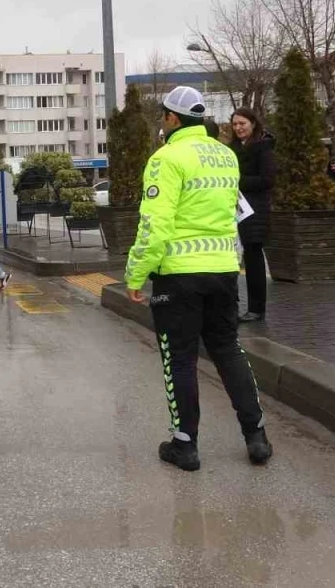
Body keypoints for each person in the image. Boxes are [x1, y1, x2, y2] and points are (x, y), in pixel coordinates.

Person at [125, 86, 272, 472]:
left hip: (179, 277)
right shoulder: (226, 155)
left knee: (181, 360)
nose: (162, 123)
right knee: (228, 350)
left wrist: (136, 274)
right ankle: (256, 436)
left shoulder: (166, 158)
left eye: (163, 116)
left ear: (173, 119)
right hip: (223, 271)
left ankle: (184, 444)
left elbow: (154, 225)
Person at [228, 109, 276, 324]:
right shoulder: (232, 148)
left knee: (253, 257)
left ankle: (257, 308)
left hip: (254, 210)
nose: (238, 128)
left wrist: (237, 181)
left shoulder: (263, 148)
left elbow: (267, 179)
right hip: (234, 207)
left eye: (242, 123)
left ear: (253, 123)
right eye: (235, 124)